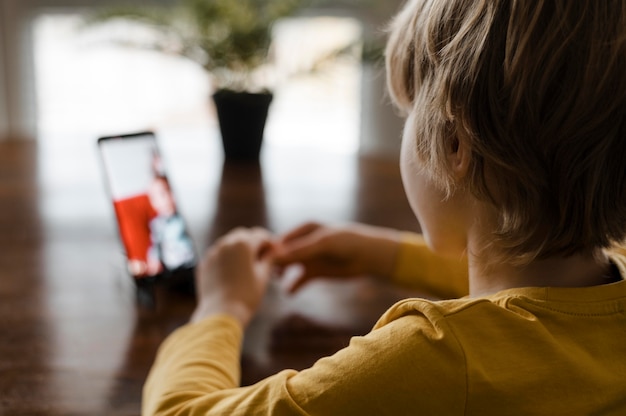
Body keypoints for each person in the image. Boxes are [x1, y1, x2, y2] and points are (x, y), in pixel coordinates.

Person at [143, 0, 626, 414]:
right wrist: (387, 254)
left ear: (454, 144)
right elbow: (536, 311)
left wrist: (220, 306)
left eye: (406, 113)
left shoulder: (438, 358)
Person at [145, 176, 195, 276]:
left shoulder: (181, 219)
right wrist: (153, 260)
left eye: (167, 191)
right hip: (169, 269)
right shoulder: (155, 223)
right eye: (154, 196)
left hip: (187, 264)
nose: (169, 196)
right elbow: (155, 244)